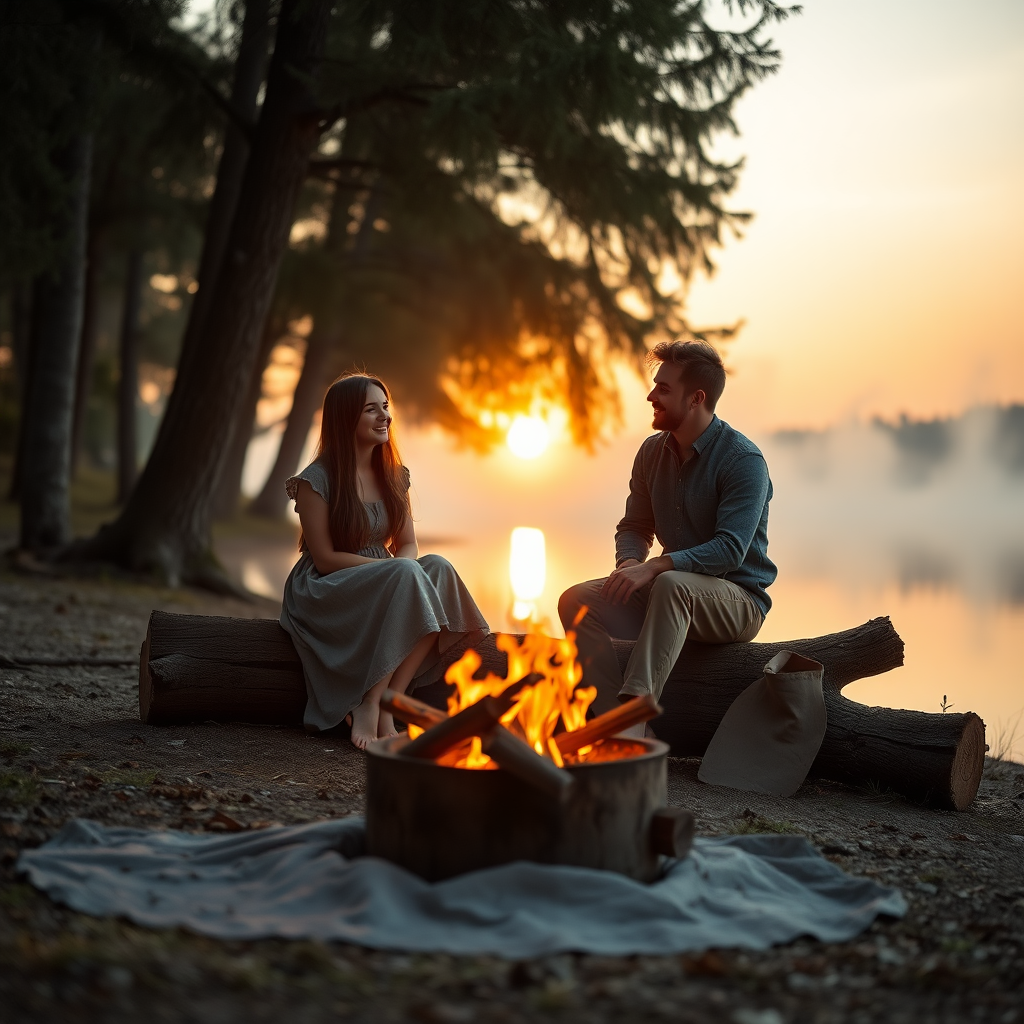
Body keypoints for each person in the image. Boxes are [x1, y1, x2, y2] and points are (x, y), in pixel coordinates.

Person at [558, 340, 776, 717]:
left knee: (671, 585)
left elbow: (730, 549)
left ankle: (634, 716)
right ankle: (608, 720)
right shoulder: (651, 452)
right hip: (668, 594)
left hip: (737, 601)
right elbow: (635, 525)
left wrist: (656, 566)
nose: (650, 395)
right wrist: (629, 562)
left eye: (664, 388)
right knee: (576, 601)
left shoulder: (744, 460)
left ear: (696, 399)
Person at [281, 373, 488, 749]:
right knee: (407, 571)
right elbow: (325, 559)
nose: (385, 417)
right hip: (329, 584)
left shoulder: (394, 475)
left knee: (437, 567)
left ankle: (389, 700)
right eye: (371, 409)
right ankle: (368, 703)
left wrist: (399, 568)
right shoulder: (316, 481)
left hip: (387, 577)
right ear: (345, 419)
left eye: (386, 407)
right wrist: (391, 569)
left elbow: (408, 544)